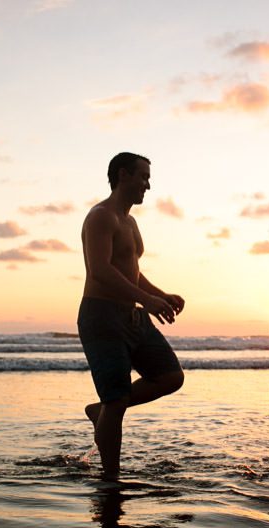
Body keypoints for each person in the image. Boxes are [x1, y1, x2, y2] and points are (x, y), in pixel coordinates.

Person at [78, 152, 185, 481]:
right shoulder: (101, 217)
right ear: (122, 175)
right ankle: (111, 481)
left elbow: (131, 272)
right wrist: (147, 301)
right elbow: (100, 271)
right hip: (102, 317)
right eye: (143, 177)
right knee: (117, 397)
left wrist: (159, 294)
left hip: (132, 316)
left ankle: (102, 412)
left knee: (171, 377)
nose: (148, 185)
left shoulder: (130, 222)